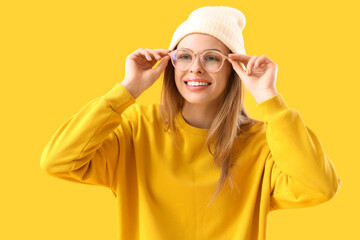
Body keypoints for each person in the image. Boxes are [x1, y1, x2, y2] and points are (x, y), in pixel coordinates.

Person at [40, 6, 341, 240]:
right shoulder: (135, 129)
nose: (195, 67)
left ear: (234, 68)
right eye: (184, 56)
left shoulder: (264, 144)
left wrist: (269, 98)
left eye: (211, 58)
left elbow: (320, 186)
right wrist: (126, 90)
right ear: (171, 65)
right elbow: (58, 161)